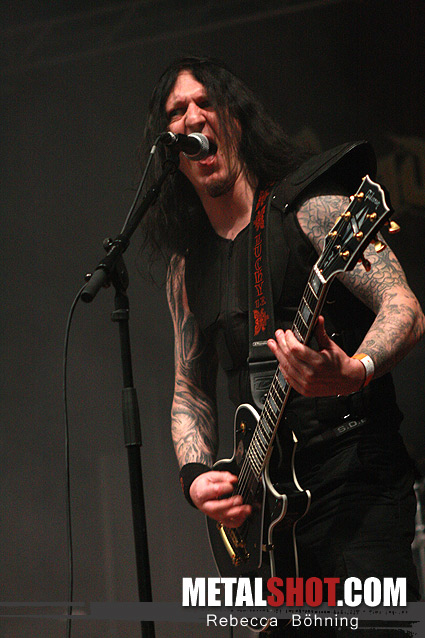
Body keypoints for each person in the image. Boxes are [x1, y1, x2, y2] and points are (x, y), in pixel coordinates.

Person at [141, 56, 425, 635]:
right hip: (267, 522)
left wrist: (356, 369)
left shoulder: (314, 208)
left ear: (235, 119)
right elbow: (189, 390)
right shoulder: (186, 269)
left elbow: (404, 306)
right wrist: (195, 478)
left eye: (205, 102)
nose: (192, 117)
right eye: (177, 111)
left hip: (354, 483)